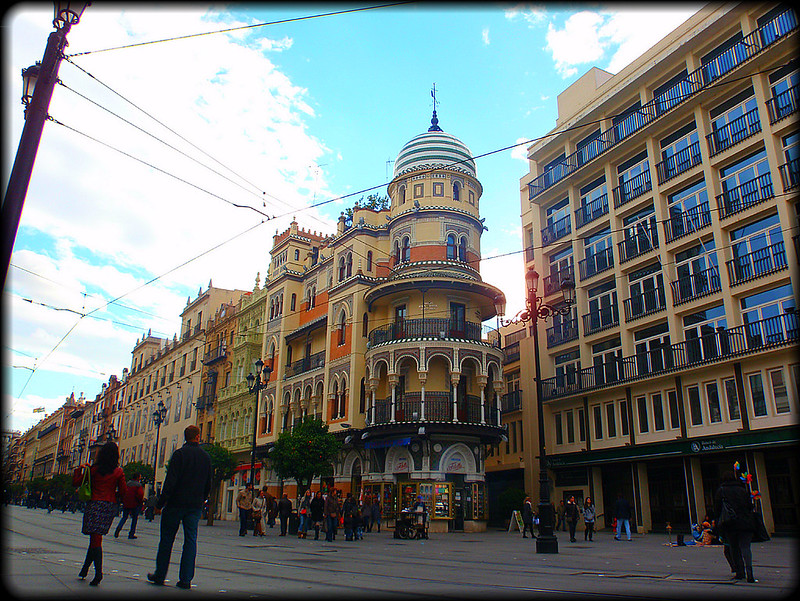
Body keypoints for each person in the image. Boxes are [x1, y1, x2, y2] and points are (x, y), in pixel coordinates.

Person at [147, 425, 212, 590]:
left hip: (176, 504)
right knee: (190, 540)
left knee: (167, 540)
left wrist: (160, 504)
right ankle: (186, 579)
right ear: (197, 436)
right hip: (194, 505)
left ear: (186, 437)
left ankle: (160, 575)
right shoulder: (206, 457)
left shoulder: (179, 454)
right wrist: (201, 500)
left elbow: (170, 482)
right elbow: (208, 484)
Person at [73, 441, 127, 586]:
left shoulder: (94, 469)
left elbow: (76, 482)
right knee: (96, 539)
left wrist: (79, 469)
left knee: (95, 539)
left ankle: (98, 573)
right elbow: (123, 492)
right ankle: (85, 569)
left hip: (94, 504)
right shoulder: (119, 472)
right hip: (108, 506)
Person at [714, 468, 757, 582]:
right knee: (746, 547)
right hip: (746, 522)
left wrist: (717, 524)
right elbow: (749, 505)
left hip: (730, 523)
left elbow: (718, 509)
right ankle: (750, 573)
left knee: (734, 548)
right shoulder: (742, 489)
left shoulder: (721, 491)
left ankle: (739, 572)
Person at [114, 472, 145, 539]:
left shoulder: (127, 483)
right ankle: (131, 533)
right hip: (135, 504)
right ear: (137, 477)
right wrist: (140, 501)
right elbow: (140, 494)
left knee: (124, 517)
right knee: (134, 519)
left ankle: (118, 528)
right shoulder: (138, 485)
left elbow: (123, 491)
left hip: (126, 503)